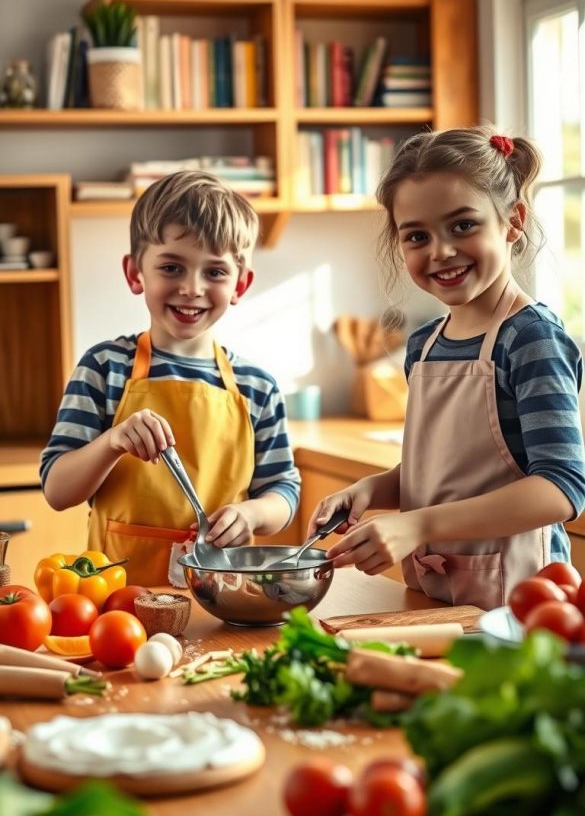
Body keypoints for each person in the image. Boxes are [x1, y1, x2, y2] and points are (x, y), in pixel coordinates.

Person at [308, 126, 585, 609]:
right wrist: (372, 490)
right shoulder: (424, 345)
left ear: (513, 220)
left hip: (522, 603)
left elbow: (562, 488)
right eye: (417, 235)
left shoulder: (530, 339)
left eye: (462, 226)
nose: (440, 251)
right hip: (433, 591)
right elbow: (438, 471)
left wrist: (418, 524)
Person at [41, 170, 300, 585]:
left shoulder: (258, 387)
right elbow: (57, 490)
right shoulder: (105, 368)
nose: (192, 288)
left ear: (241, 284)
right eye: (172, 267)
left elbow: (283, 490)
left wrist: (252, 513)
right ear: (135, 274)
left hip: (222, 597)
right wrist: (112, 443)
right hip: (117, 601)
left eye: (214, 272)